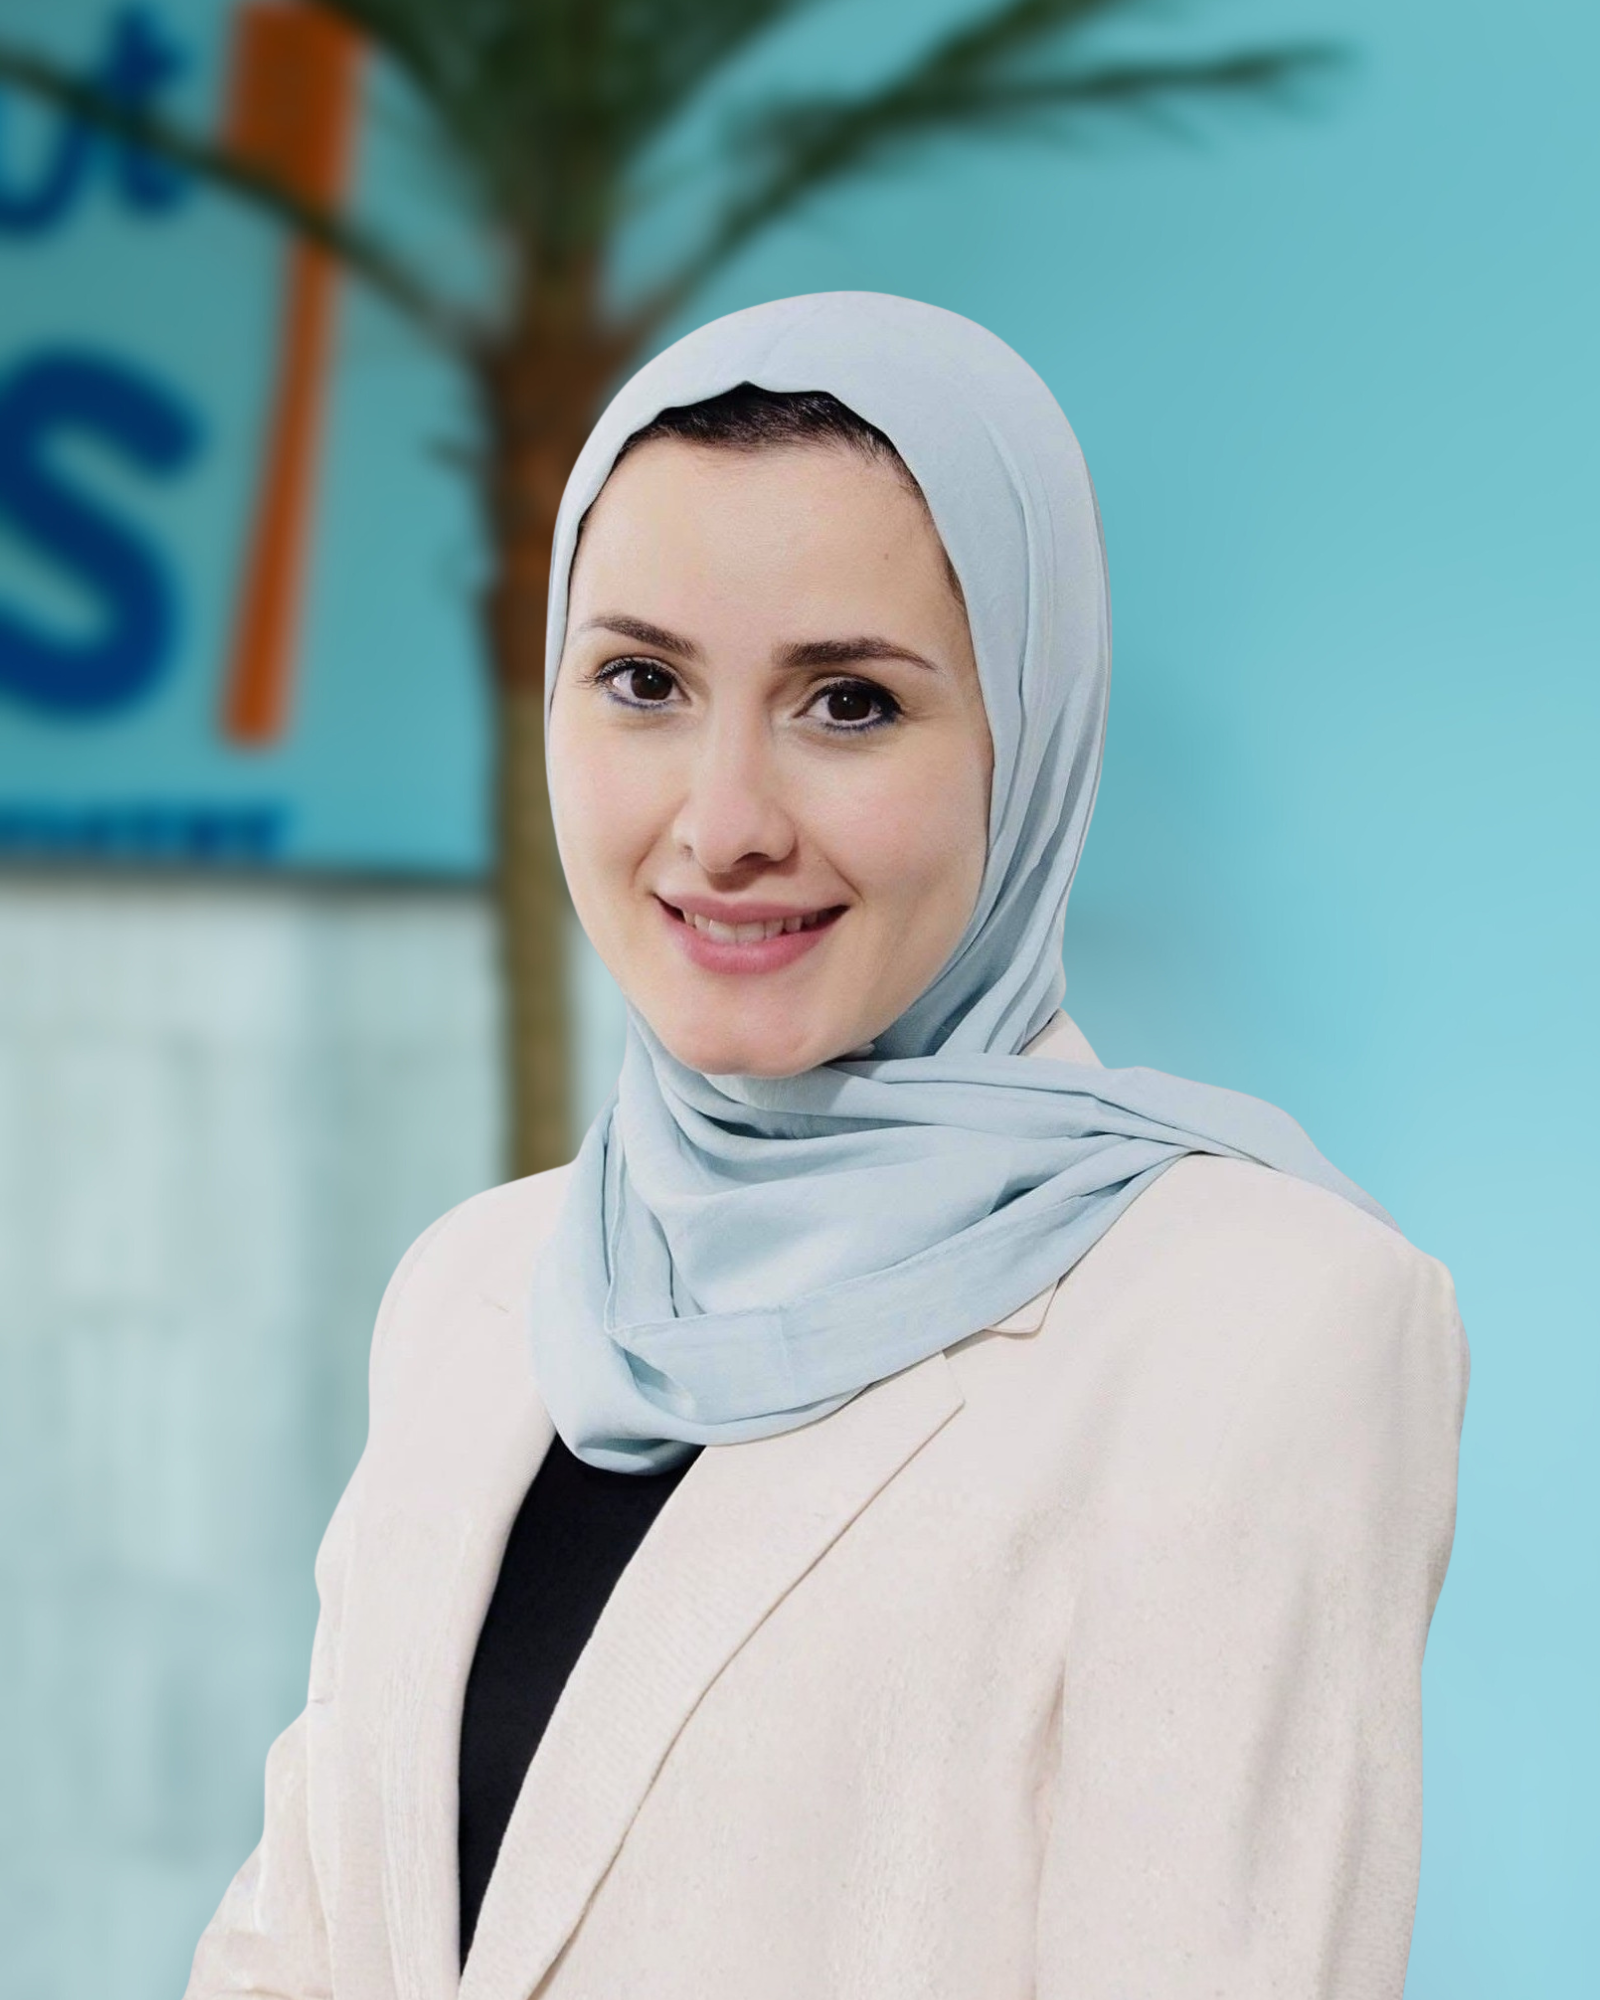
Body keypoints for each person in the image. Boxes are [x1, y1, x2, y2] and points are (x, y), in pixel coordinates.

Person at [186, 293, 1467, 2000]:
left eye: (849, 704)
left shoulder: (1258, 1328)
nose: (722, 824)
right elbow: (300, 1947)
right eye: (641, 681)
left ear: (1029, 737)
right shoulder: (485, 1289)